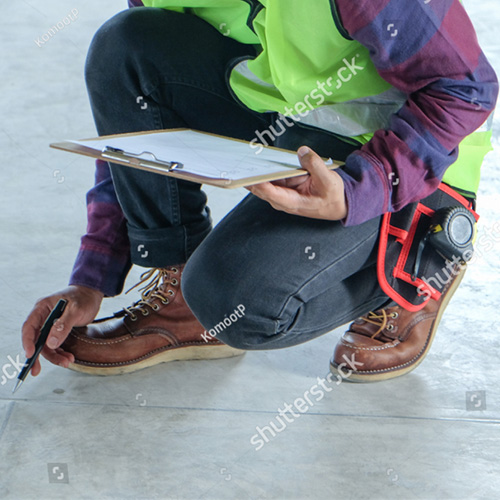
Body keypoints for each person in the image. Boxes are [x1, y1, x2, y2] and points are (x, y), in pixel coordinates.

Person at [22, 0, 497, 382]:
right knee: (124, 43)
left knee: (236, 301)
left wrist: (364, 187)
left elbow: (465, 88)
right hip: (296, 121)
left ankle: (419, 258)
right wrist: (93, 275)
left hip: (412, 161)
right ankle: (180, 300)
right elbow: (137, 141)